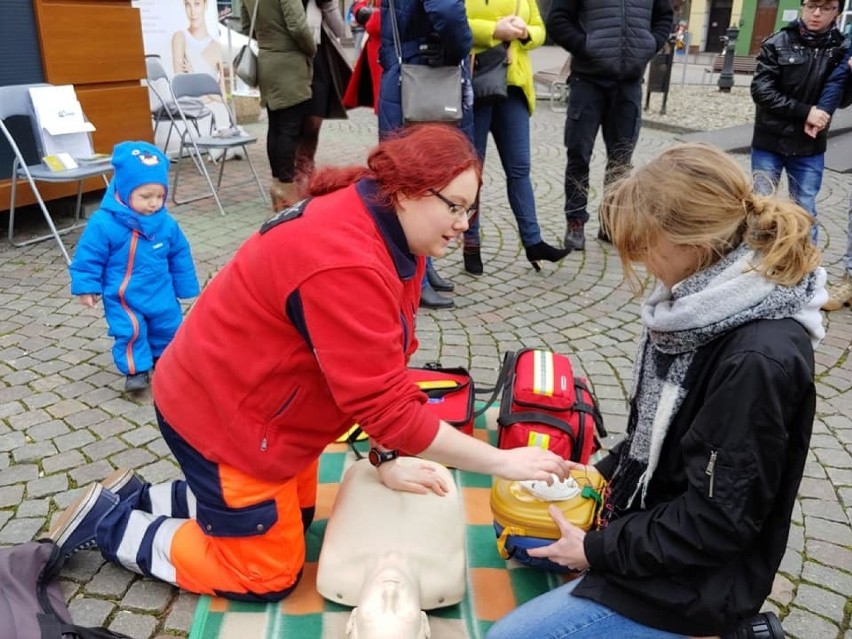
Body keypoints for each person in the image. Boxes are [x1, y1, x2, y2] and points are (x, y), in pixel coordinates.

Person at [46, 125, 569, 603]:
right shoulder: (348, 258)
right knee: (266, 574)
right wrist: (503, 462)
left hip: (267, 415)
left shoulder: (388, 221)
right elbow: (387, 404)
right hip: (225, 420)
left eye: (469, 210)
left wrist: (387, 458)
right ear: (408, 190)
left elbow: (383, 366)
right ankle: (110, 524)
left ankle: (143, 495)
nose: (463, 225)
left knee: (295, 517)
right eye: (455, 207)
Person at [486, 143, 827, 639]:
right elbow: (667, 445)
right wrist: (599, 473)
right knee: (520, 542)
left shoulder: (754, 359)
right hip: (658, 541)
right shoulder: (696, 310)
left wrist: (593, 550)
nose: (641, 259)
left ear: (692, 241)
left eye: (645, 244)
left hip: (694, 585)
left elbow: (717, 521)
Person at [69, 141, 200, 394]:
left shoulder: (166, 223)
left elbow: (179, 254)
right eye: (145, 196)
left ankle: (166, 359)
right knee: (130, 330)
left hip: (161, 290)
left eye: (160, 196)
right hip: (123, 295)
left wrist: (186, 286)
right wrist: (86, 287)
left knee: (169, 325)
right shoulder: (104, 223)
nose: (153, 203)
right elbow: (88, 256)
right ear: (125, 192)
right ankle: (135, 370)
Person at [546, 0, 673, 251]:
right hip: (588, 81)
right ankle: (575, 221)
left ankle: (612, 223)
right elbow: (557, 20)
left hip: (629, 83)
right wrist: (586, 45)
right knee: (579, 154)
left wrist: (649, 44)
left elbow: (664, 18)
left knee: (621, 160)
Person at [379, 0, 475, 309]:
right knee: (425, 182)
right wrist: (461, 47)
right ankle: (416, 278)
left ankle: (424, 271)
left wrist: (395, 59)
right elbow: (446, 11)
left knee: (413, 178)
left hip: (407, 70)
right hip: (426, 72)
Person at [462, 0, 569, 274]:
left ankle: (533, 242)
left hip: (514, 88)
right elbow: (453, 24)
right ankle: (471, 243)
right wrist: (494, 30)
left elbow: (540, 30)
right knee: (473, 173)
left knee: (520, 169)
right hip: (478, 85)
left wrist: (524, 33)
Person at [751, 0, 851, 242]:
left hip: (809, 145)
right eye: (811, 6)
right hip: (770, 141)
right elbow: (761, 91)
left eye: (825, 8)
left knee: (805, 210)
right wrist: (805, 112)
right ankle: (754, 263)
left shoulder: (841, 49)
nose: (816, 13)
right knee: (762, 208)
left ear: (836, 12)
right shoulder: (778, 42)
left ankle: (806, 270)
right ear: (802, 7)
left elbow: (842, 101)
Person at [241, 0, 317, 211]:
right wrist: (310, 49)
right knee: (289, 129)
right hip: (289, 63)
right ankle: (286, 186)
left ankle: (278, 184)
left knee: (275, 126)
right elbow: (298, 26)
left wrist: (269, 41)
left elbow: (247, 26)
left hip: (266, 60)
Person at [293, 0, 352, 188]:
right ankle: (291, 172)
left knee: (313, 121)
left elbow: (340, 31)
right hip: (291, 59)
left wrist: (326, 4)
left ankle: (305, 166)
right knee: (291, 121)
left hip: (319, 62)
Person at [172, 0, 226, 95]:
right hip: (193, 107)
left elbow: (223, 95)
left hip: (216, 107)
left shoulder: (216, 46)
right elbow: (182, 90)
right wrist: (212, 93)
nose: (192, 12)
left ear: (205, 5)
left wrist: (194, 73)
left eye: (197, 4)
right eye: (188, 5)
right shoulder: (180, 37)